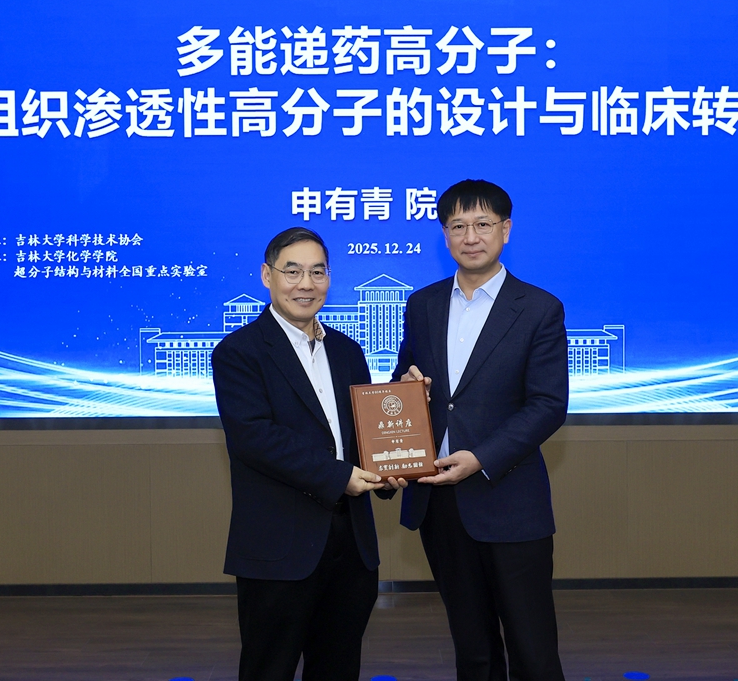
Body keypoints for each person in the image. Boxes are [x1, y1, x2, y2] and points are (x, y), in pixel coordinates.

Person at [391, 179, 569, 681]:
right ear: (444, 234)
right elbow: (405, 380)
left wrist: (481, 457)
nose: (471, 237)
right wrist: (404, 386)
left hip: (509, 499)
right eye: (458, 226)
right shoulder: (422, 304)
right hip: (440, 502)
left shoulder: (539, 308)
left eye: (483, 224)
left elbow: (548, 405)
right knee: (472, 650)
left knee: (533, 650)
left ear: (506, 230)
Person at [212, 226, 396, 681]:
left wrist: (389, 467)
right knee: (268, 669)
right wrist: (340, 476)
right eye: (292, 271)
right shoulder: (239, 352)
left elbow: (361, 435)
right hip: (279, 549)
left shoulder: (348, 351)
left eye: (318, 272)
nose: (306, 284)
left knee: (338, 668)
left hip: (351, 547)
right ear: (267, 276)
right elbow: (255, 438)